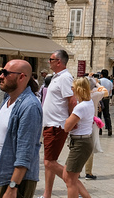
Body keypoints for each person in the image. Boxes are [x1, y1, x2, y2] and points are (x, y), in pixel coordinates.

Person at [0, 60, 42, 198]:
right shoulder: (7, 100)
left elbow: (25, 150)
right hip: (0, 173)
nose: (0, 76)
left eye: (5, 73)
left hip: (15, 180)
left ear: (22, 77)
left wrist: (13, 187)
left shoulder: (30, 106)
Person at [41, 50, 75, 198]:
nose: (49, 62)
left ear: (59, 62)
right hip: (50, 124)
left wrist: (70, 123)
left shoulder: (65, 78)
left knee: (49, 163)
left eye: (51, 59)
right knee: (51, 161)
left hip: (57, 125)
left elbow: (71, 101)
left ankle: (75, 186)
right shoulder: (56, 77)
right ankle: (47, 194)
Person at [62, 78, 95, 198]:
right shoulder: (88, 103)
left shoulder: (80, 107)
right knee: (68, 176)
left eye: (73, 87)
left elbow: (67, 127)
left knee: (70, 180)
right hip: (82, 141)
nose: (71, 89)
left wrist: (65, 117)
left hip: (80, 143)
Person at [84, 77, 106, 180]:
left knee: (79, 147)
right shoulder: (95, 95)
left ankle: (76, 170)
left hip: (79, 122)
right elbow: (105, 92)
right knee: (90, 148)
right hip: (91, 123)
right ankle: (88, 172)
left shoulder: (78, 94)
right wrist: (97, 84)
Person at [98, 69, 113, 136]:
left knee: (99, 114)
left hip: (100, 98)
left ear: (101, 74)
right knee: (106, 114)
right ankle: (109, 128)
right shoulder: (110, 82)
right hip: (106, 98)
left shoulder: (99, 81)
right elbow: (110, 91)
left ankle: (99, 129)